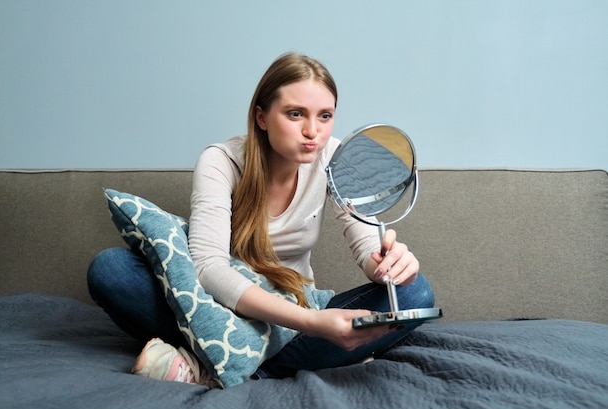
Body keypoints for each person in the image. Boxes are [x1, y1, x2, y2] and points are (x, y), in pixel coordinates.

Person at [87, 52, 434, 388]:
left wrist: (389, 266)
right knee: (111, 270)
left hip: (294, 309)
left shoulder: (334, 157)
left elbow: (368, 249)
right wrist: (313, 324)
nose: (313, 131)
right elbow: (207, 268)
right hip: (224, 310)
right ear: (262, 117)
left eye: (325, 116)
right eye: (295, 114)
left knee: (415, 292)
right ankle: (289, 360)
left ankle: (226, 367)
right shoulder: (221, 161)